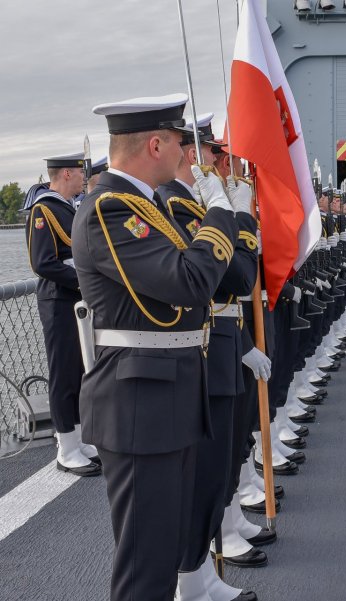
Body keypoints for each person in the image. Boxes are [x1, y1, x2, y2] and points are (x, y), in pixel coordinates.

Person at [72, 93, 240, 601]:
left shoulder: (144, 204)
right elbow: (188, 283)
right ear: (155, 143)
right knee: (145, 564)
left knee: (164, 550)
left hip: (167, 396)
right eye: (181, 144)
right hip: (140, 403)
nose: (189, 155)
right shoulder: (111, 208)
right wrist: (221, 216)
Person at [157, 113, 270, 593]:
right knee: (207, 468)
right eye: (210, 154)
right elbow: (238, 277)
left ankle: (201, 570)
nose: (218, 164)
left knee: (224, 457)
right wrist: (240, 217)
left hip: (225, 336)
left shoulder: (197, 204)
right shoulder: (180, 208)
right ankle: (194, 574)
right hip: (208, 345)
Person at [26, 152, 101, 476]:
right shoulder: (42, 209)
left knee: (81, 370)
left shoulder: (70, 206)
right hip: (58, 301)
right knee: (62, 373)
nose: (83, 177)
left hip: (76, 301)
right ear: (66, 174)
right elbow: (42, 262)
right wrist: (85, 280)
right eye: (78, 172)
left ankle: (79, 436)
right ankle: (66, 447)